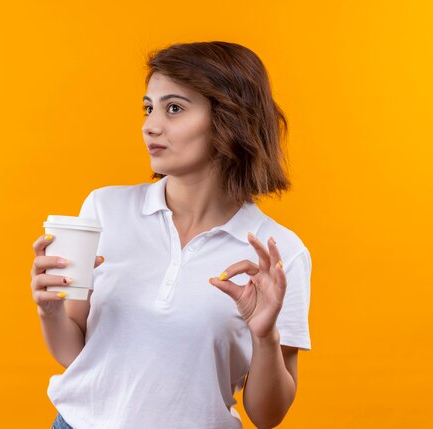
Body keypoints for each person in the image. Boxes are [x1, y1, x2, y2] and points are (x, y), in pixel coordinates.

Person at [31, 41, 312, 429]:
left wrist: (265, 337)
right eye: (149, 107)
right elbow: (74, 354)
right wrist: (50, 309)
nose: (150, 125)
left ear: (229, 119)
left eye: (174, 108)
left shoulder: (277, 253)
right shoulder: (105, 209)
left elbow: (268, 416)